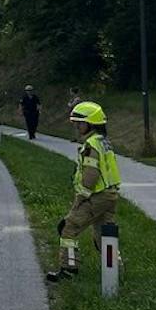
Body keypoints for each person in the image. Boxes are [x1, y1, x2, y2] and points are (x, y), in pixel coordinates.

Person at [46, 101, 121, 282]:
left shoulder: (91, 145)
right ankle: (116, 271)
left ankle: (69, 269)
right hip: (110, 195)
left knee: (69, 228)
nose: (77, 127)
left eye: (80, 123)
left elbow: (91, 174)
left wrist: (81, 198)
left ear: (91, 123)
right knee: (104, 235)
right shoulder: (103, 142)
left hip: (96, 196)